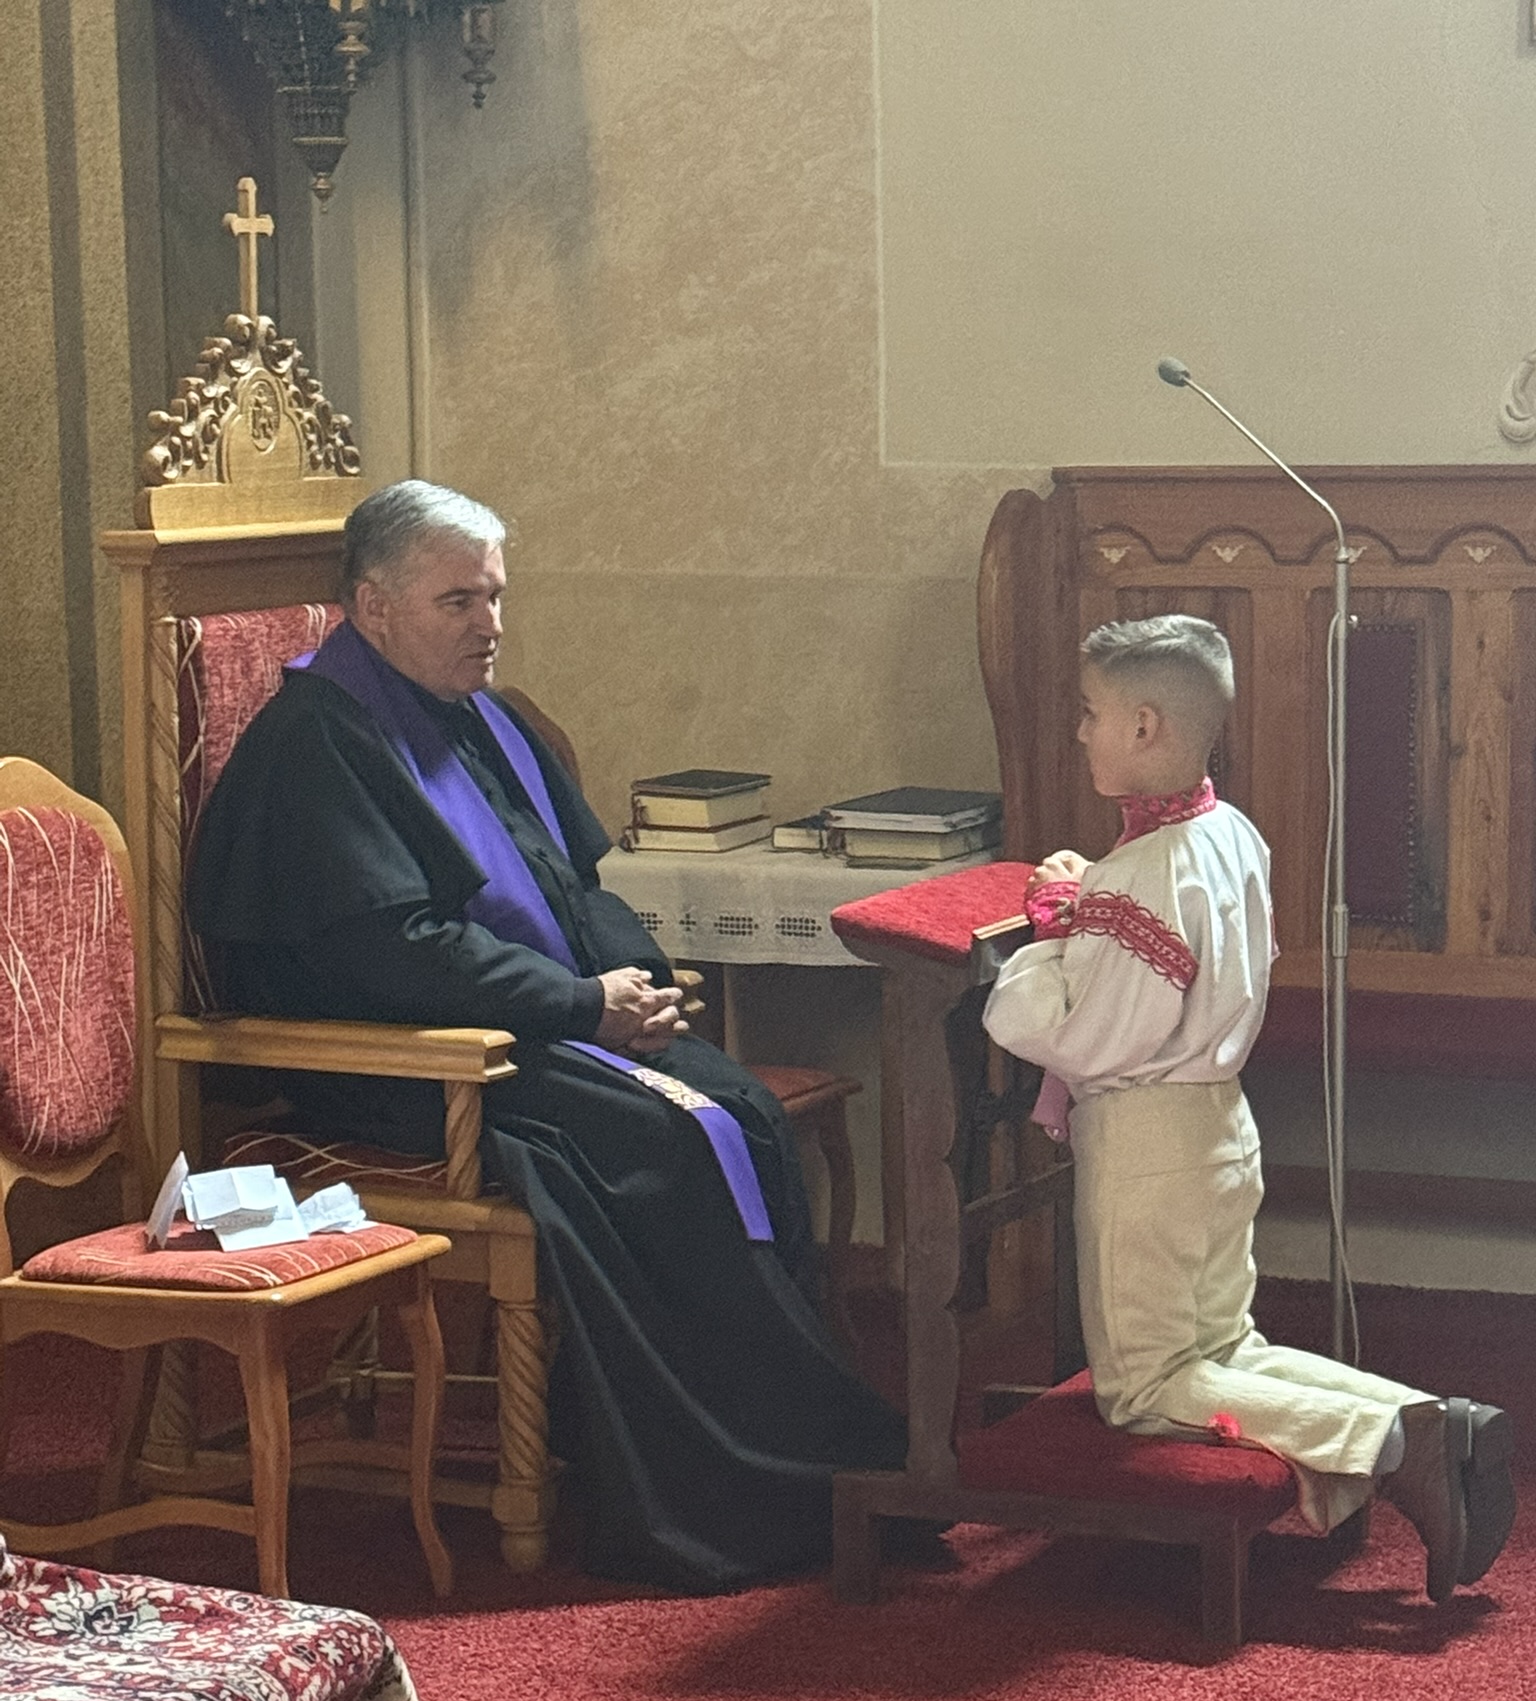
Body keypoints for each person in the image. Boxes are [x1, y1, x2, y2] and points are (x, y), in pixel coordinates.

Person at [188, 479, 904, 1593]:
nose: (489, 625)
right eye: (458, 601)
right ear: (373, 607)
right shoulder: (319, 741)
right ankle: (712, 1489)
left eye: (495, 597)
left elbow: (573, 886)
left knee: (742, 1109)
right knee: (660, 1142)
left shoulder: (479, 717)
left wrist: (637, 983)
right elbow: (396, 952)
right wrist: (580, 1005)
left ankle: (796, 1452)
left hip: (514, 1025)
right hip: (391, 1059)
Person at [982, 614, 1515, 1603]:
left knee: (1145, 1385)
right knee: (1224, 1346)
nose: (1081, 731)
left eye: (1091, 713)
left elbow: (1075, 1032)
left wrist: (1052, 934)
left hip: (1145, 1139)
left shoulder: (1138, 876)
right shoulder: (1230, 832)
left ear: (1145, 725)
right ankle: (1434, 1416)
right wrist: (1094, 899)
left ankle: (1395, 1440)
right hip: (1221, 1124)